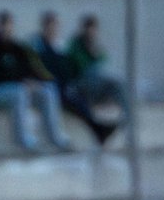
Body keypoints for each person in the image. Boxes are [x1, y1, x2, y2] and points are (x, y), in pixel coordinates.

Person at [0, 10, 72, 152]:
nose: (6, 29)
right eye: (3, 25)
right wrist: (21, 82)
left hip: (19, 88)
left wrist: (35, 82)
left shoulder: (18, 48)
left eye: (9, 25)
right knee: (19, 92)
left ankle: (55, 137)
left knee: (47, 90)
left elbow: (30, 70)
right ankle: (22, 140)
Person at [31, 12, 116, 145]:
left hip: (64, 87)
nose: (53, 30)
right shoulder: (38, 46)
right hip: (50, 88)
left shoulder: (59, 47)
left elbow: (68, 71)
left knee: (79, 98)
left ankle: (99, 129)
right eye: (51, 27)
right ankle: (97, 130)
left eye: (55, 27)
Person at [67, 14, 128, 131]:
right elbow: (80, 66)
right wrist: (91, 54)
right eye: (89, 29)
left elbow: (104, 62)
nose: (92, 32)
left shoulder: (95, 45)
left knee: (118, 84)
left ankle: (127, 118)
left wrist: (95, 54)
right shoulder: (75, 44)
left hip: (98, 84)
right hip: (81, 84)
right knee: (97, 73)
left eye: (94, 29)